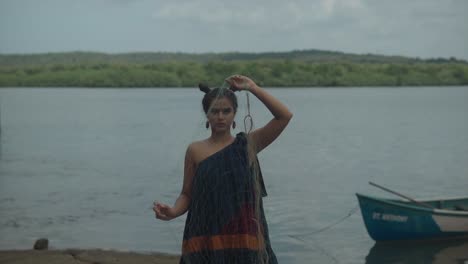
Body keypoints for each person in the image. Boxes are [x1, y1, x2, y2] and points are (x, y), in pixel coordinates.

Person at [153, 75, 293, 263]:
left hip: (244, 238)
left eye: (226, 111)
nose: (220, 117)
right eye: (215, 111)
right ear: (207, 115)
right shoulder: (195, 150)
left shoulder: (247, 145)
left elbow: (284, 116)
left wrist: (252, 87)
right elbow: (187, 194)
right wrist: (172, 212)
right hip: (205, 235)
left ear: (234, 113)